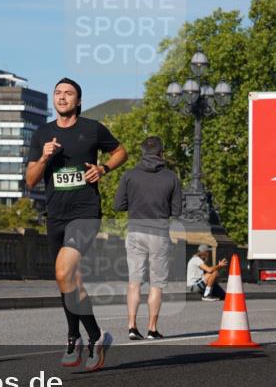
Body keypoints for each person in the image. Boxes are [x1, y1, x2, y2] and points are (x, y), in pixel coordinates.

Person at [25, 78, 127, 371]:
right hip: (55, 215)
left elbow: (121, 152)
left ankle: (74, 336)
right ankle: (92, 336)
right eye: (58, 93)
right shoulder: (42, 133)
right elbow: (31, 180)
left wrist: (103, 168)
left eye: (68, 94)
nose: (62, 97)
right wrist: (44, 157)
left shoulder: (91, 129)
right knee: (67, 280)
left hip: (85, 212)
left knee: (63, 270)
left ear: (78, 101)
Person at [114, 136, 182, 340]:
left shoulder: (129, 175)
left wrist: (135, 203)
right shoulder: (171, 177)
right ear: (161, 153)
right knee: (156, 284)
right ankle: (152, 329)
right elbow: (177, 210)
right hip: (159, 233)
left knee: (134, 282)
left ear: (143, 152)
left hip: (135, 231)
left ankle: (132, 327)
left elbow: (118, 206)